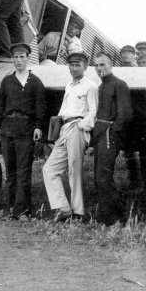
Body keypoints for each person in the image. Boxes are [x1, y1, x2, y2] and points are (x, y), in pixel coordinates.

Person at [41, 51, 97, 223]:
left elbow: (93, 112)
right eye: (71, 65)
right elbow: (63, 110)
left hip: (77, 128)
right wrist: (57, 131)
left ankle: (78, 212)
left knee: (74, 170)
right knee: (49, 169)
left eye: (78, 65)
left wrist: (81, 126)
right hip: (64, 129)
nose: (74, 68)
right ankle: (64, 209)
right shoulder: (69, 86)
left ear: (85, 67)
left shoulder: (91, 86)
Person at [0, 42, 45, 220]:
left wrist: (38, 126)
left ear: (28, 58)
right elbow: (1, 105)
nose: (19, 60)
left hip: (26, 128)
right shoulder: (7, 81)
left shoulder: (35, 82)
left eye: (22, 57)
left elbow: (40, 107)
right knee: (11, 172)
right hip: (7, 128)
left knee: (24, 171)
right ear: (12, 59)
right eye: (15, 57)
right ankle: (11, 210)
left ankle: (23, 212)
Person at [92, 51, 132, 225]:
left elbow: (126, 113)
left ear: (111, 65)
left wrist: (113, 131)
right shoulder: (101, 86)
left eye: (103, 64)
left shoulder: (119, 84)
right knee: (98, 177)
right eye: (96, 65)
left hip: (110, 135)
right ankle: (105, 216)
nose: (99, 68)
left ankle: (118, 217)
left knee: (104, 177)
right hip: (100, 135)